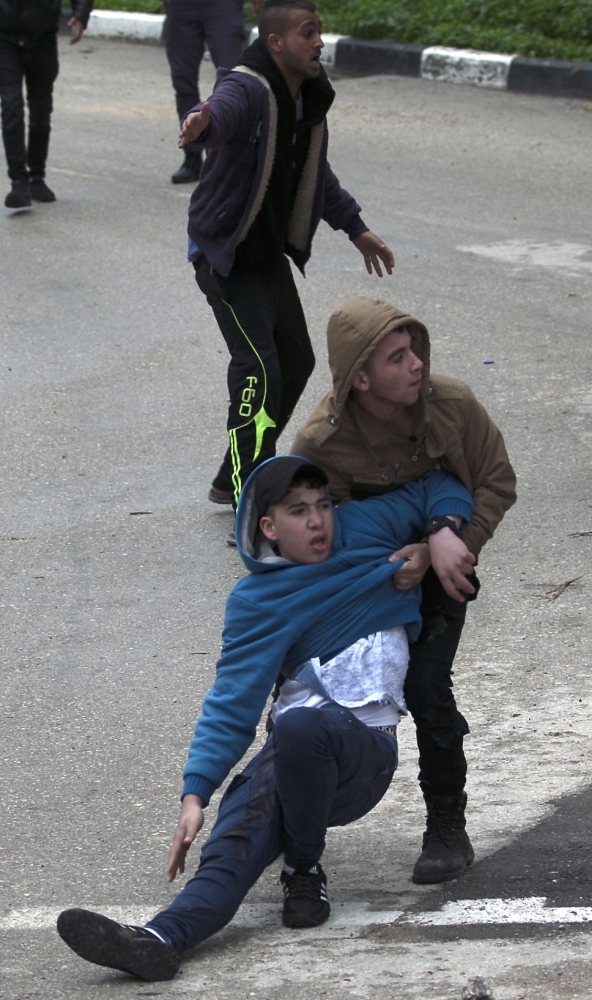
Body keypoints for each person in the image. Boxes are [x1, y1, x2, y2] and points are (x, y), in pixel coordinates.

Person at [56, 455, 474, 983]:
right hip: (292, 758)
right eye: (298, 512)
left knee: (302, 725)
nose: (318, 521)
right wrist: (195, 795)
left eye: (322, 505)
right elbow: (232, 699)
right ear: (269, 528)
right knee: (235, 838)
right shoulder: (256, 601)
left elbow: (441, 484)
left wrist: (437, 535)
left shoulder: (367, 527)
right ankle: (160, 940)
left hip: (362, 757)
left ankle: (302, 868)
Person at [291, 296, 517, 885]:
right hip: (364, 585)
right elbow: (317, 538)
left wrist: (448, 541)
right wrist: (387, 566)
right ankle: (291, 828)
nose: (416, 364)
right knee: (305, 688)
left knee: (425, 684)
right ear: (361, 379)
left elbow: (495, 479)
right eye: (397, 357)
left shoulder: (454, 405)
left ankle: (447, 825)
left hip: (444, 567)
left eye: (415, 349)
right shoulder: (320, 444)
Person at [178, 0, 394, 515]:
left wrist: (356, 229)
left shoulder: (305, 100)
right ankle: (250, 487)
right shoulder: (249, 87)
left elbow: (317, 174)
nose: (318, 42)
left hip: (264, 252)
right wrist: (201, 127)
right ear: (276, 43)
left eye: (319, 31)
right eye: (307, 33)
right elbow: (221, 112)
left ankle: (236, 473)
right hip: (224, 256)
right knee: (258, 367)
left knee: (296, 359)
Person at [0, 0, 93, 208]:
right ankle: (18, 181)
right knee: (11, 106)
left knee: (41, 111)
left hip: (43, 38)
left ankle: (36, 177)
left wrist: (80, 14)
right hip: (5, 37)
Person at [163, 0, 250, 185]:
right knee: (183, 80)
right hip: (181, 7)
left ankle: (231, 160)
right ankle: (192, 156)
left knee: (232, 79)